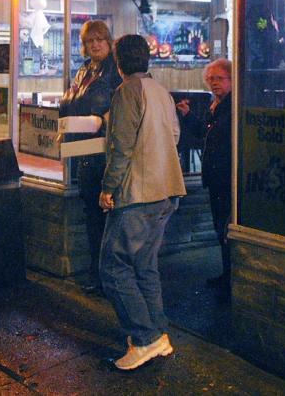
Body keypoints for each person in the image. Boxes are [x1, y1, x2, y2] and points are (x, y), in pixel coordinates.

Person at [98, 34, 186, 371]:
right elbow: (174, 136)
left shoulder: (126, 92)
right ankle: (157, 335)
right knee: (144, 265)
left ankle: (144, 338)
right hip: (166, 190)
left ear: (118, 62)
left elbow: (121, 146)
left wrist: (108, 188)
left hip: (137, 193)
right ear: (146, 59)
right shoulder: (160, 91)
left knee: (113, 267)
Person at [59, 19, 121, 294]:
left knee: (108, 218)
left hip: (106, 155)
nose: (95, 45)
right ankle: (97, 275)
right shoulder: (84, 70)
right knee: (92, 216)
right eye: (90, 40)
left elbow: (120, 113)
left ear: (109, 42)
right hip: (84, 151)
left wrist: (103, 121)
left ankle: (107, 277)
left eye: (99, 39)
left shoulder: (116, 71)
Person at [177, 58, 232, 298]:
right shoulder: (216, 106)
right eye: (210, 79)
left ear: (231, 79)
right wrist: (188, 116)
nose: (213, 83)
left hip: (227, 178)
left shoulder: (231, 107)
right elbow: (204, 136)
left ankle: (230, 277)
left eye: (219, 78)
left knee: (226, 228)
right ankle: (226, 274)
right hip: (216, 178)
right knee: (220, 229)